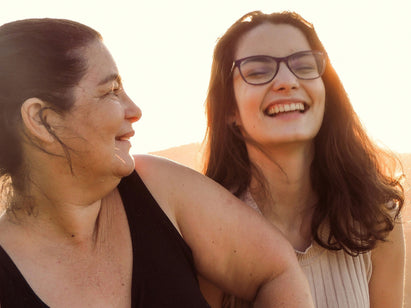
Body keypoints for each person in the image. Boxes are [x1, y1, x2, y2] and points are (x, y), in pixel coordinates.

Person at [0, 18, 315, 308]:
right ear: (42, 120)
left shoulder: (159, 187)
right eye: (111, 91)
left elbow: (277, 272)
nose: (134, 109)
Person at [200, 10, 405, 308]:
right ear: (230, 109)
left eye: (304, 66)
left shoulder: (376, 218)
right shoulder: (208, 232)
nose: (287, 81)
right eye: (257, 71)